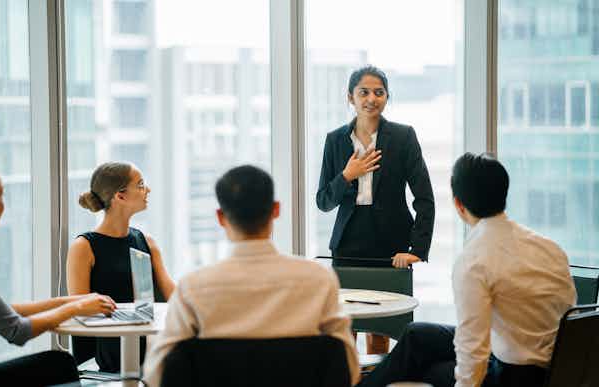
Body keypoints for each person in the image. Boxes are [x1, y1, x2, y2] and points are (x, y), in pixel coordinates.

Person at [358, 153, 576, 387]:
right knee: (416, 336)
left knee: (430, 369)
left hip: (514, 376)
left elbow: (473, 350)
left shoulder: (474, 260)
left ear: (458, 204)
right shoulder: (549, 247)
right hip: (555, 368)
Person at [142, 165, 360, 387]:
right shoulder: (319, 279)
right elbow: (348, 368)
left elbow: (158, 373)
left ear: (220, 217)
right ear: (276, 210)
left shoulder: (194, 287)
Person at [0, 158, 117, 386]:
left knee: (58, 365)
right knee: (59, 364)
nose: (5, 203)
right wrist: (77, 308)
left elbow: (4, 311)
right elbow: (17, 331)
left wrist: (75, 300)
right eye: (2, 195)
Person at [316, 64, 435, 353]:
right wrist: (347, 175)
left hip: (390, 247)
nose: (371, 98)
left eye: (379, 92)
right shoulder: (335, 140)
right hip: (347, 247)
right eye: (364, 92)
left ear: (386, 97)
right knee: (345, 333)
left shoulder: (404, 137)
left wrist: (417, 250)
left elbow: (425, 198)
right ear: (350, 97)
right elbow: (323, 201)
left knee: (381, 332)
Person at [66, 161, 175, 372]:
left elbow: (173, 295)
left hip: (150, 341)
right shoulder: (83, 247)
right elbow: (80, 309)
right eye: (141, 184)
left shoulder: (147, 241)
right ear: (120, 196)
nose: (148, 190)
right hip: (108, 348)